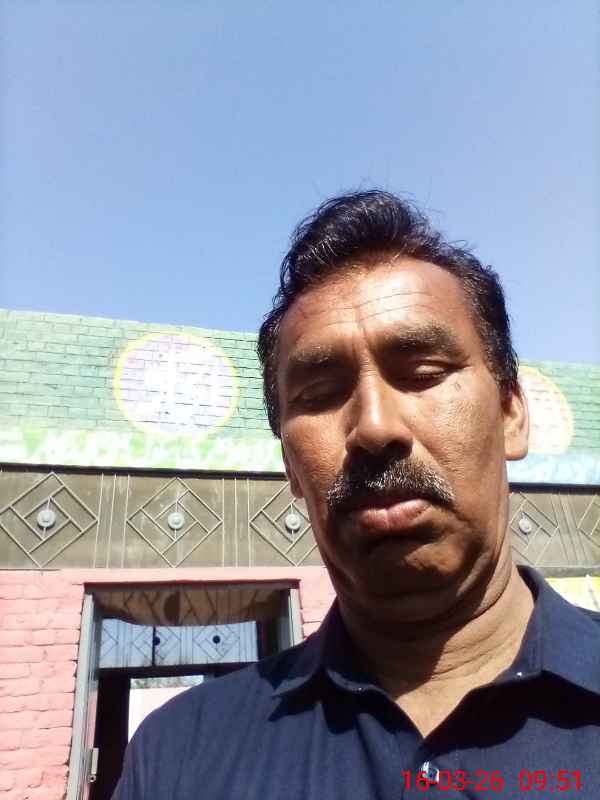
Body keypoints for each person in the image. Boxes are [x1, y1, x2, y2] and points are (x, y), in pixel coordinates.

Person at [112, 191, 600, 799]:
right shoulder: (180, 757)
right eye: (319, 394)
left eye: (422, 373)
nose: (373, 427)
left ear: (512, 413)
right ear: (290, 467)